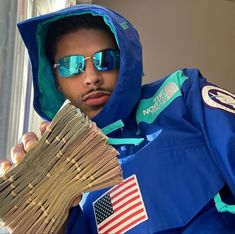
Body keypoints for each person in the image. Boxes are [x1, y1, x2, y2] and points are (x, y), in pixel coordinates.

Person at [1, 3, 235, 234]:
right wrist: (50, 221)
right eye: (71, 66)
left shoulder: (181, 95)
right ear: (55, 80)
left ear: (125, 62)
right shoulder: (68, 184)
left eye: (106, 59)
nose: (92, 78)